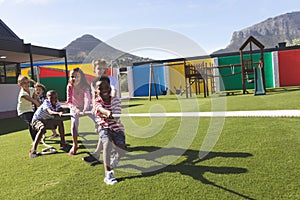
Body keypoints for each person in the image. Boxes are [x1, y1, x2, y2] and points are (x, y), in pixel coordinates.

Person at [82, 59, 118, 163]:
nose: (101, 70)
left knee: (110, 130)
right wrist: (94, 106)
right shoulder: (94, 82)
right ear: (94, 70)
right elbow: (94, 96)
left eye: (103, 68)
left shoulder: (111, 79)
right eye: (99, 68)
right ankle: (98, 154)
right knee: (103, 130)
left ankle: (106, 153)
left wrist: (110, 104)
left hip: (110, 107)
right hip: (101, 108)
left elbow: (113, 91)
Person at [93, 76, 126, 185]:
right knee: (106, 143)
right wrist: (106, 112)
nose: (104, 90)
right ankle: (108, 174)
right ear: (96, 91)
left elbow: (116, 116)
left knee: (122, 149)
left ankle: (115, 158)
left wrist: (111, 115)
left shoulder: (116, 100)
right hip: (104, 127)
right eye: (100, 88)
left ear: (110, 88)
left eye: (106, 87)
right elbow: (99, 109)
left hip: (117, 128)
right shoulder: (97, 101)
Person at [30, 90, 69, 158]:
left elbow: (60, 108)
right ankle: (33, 150)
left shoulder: (56, 102)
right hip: (37, 120)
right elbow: (50, 112)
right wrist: (58, 113)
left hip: (47, 120)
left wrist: (64, 110)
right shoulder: (46, 103)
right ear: (47, 97)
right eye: (51, 97)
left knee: (60, 122)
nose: (54, 99)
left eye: (55, 97)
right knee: (42, 128)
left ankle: (63, 142)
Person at [66, 67, 94, 156]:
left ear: (81, 76)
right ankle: (75, 144)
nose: (74, 79)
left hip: (86, 107)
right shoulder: (69, 86)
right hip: (75, 107)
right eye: (72, 76)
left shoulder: (85, 86)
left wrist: (86, 108)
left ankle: (107, 139)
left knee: (98, 119)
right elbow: (69, 102)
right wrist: (75, 109)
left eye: (77, 76)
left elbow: (87, 97)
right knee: (74, 124)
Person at [17, 75, 40, 141]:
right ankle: (35, 140)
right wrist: (41, 107)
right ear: (20, 84)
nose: (27, 84)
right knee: (31, 123)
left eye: (27, 82)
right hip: (23, 111)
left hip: (30, 109)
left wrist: (36, 92)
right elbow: (33, 101)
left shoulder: (31, 89)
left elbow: (36, 98)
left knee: (35, 122)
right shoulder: (23, 93)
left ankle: (37, 137)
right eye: (24, 83)